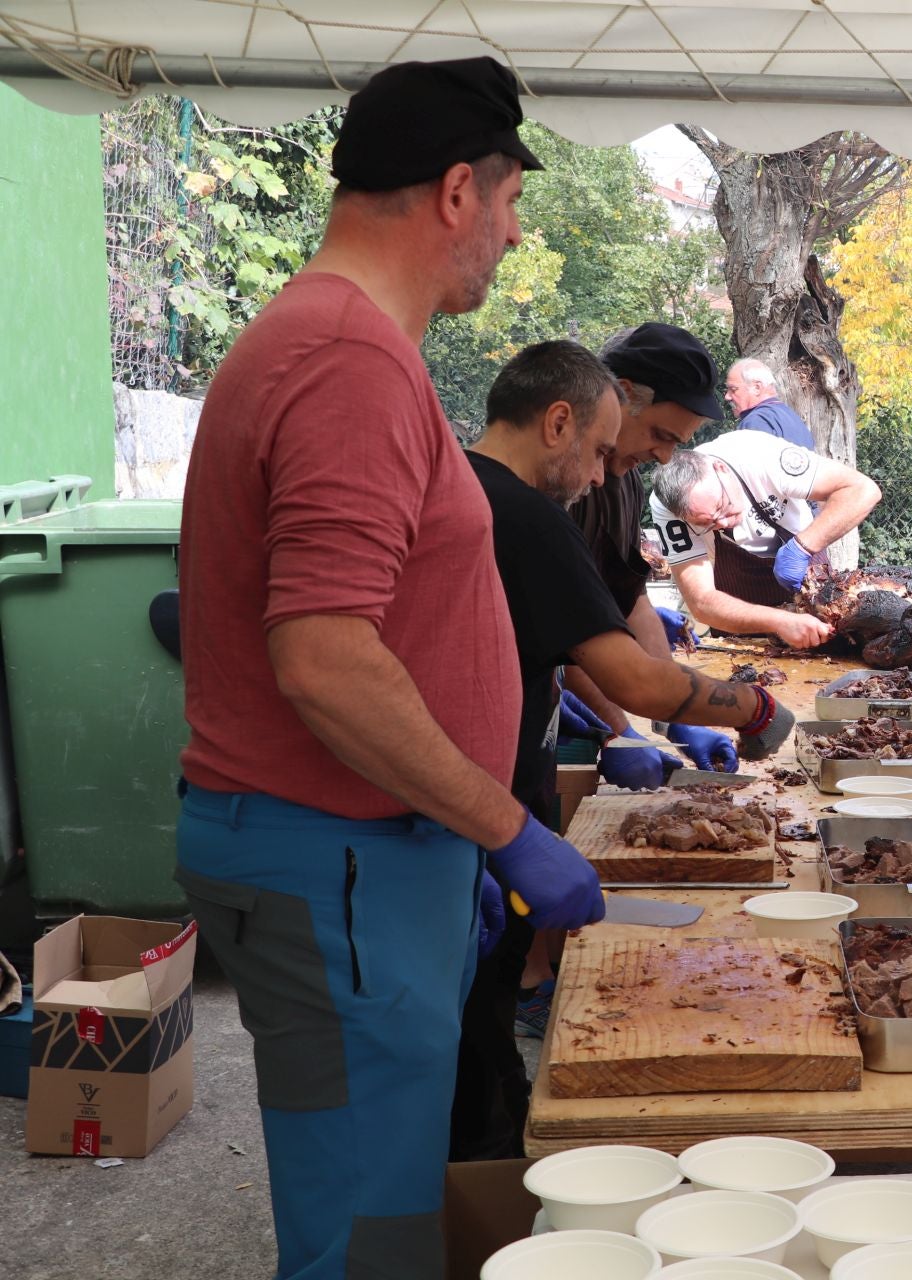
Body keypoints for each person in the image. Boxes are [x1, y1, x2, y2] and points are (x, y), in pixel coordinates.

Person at [172, 58, 603, 1278]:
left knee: (384, 1206)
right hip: (335, 856)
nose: (514, 235)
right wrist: (505, 824)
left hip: (367, 851)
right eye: (512, 202)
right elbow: (323, 656)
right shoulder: (347, 358)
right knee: (366, 1243)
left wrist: (447, 836)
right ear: (457, 191)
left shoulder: (341, 342)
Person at [455, 341, 795, 1157]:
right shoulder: (523, 511)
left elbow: (596, 626)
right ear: (563, 419)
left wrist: (643, 726)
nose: (612, 472)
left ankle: (492, 1157)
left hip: (492, 791)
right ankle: (481, 1186)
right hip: (477, 800)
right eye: (606, 451)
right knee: (466, 1042)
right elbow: (617, 667)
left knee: (481, 1028)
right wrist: (746, 707)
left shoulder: (467, 491)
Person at [566, 323, 738, 771]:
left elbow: (631, 599)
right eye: (660, 435)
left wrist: (676, 710)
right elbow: (567, 631)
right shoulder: (559, 482)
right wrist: (620, 731)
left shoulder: (628, 484)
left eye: (676, 444)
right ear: (620, 396)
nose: (664, 456)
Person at [649, 431, 881, 646]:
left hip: (806, 572)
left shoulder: (758, 454)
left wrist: (803, 547)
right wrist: (779, 621)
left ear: (720, 469)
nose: (724, 523)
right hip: (740, 600)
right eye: (705, 523)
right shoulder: (665, 507)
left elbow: (862, 490)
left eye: (723, 506)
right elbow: (701, 601)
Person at [725, 357, 815, 447]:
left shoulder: (757, 421)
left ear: (757, 388)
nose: (727, 397)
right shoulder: (794, 420)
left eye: (733, 389)